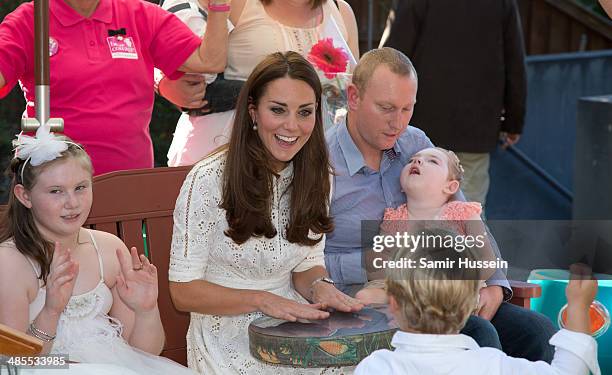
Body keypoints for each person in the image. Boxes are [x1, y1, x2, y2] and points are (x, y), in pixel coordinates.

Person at [325, 47, 557, 361]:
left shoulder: (415, 144)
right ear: (353, 97)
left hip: (445, 295)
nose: (397, 123)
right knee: (478, 333)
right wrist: (371, 260)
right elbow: (304, 261)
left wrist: (495, 284)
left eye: (407, 109)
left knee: (539, 332)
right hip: (372, 304)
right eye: (386, 108)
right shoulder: (322, 161)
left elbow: (466, 217)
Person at [168, 51, 364, 374]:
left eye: (305, 112)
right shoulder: (208, 180)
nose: (292, 126)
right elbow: (183, 291)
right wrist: (261, 299)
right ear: (253, 113)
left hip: (291, 321)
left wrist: (321, 288)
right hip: (224, 332)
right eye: (278, 110)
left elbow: (307, 264)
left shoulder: (317, 175)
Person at [0, 129, 195, 374]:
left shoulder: (108, 249)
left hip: (116, 365)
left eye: (80, 187)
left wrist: (145, 310)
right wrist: (51, 310)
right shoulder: (11, 261)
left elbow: (147, 353)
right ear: (24, 196)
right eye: (55, 191)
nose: (72, 203)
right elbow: (13, 362)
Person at [0, 0, 231, 175]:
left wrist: (218, 7)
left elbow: (209, 61)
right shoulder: (29, 19)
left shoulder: (139, 14)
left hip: (128, 185)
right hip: (52, 184)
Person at [355, 231, 601, 375]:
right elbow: (569, 370)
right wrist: (578, 307)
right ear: (472, 304)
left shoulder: (375, 368)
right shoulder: (493, 367)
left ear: (394, 303)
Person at [161, 0, 359, 166]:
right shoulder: (238, 3)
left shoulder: (341, 11)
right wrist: (161, 81)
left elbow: (354, 94)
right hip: (228, 158)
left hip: (311, 167)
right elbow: (170, 31)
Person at [381, 0, 527, 212]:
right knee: (465, 213)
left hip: (417, 127)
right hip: (474, 128)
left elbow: (391, 58)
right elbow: (514, 61)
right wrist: (514, 121)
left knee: (407, 209)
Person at [354, 147, 492, 305]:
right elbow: (380, 262)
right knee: (365, 296)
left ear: (450, 187)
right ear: (401, 186)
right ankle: (415, 303)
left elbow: (487, 259)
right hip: (408, 287)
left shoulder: (462, 214)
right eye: (411, 160)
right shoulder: (396, 219)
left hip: (453, 287)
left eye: (432, 161)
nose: (417, 161)